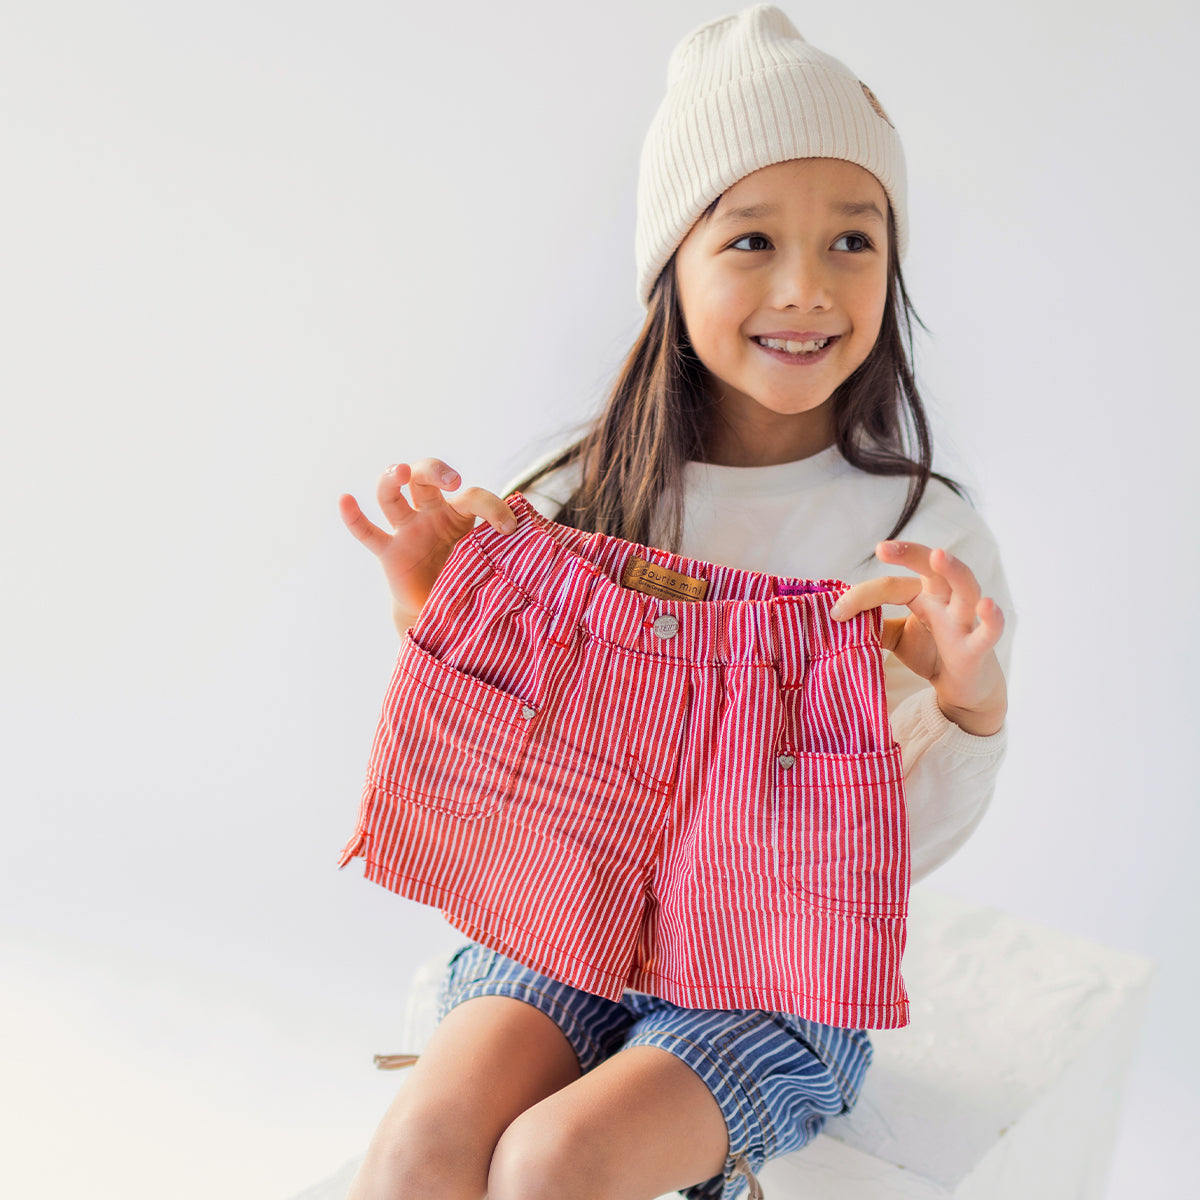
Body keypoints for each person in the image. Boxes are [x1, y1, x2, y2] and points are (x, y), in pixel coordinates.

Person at [336, 6, 1011, 1199]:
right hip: (566, 929)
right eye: (750, 239)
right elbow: (507, 772)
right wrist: (427, 617)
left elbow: (897, 856)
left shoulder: (919, 542)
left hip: (775, 975)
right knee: (420, 1144)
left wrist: (966, 702)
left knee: (555, 1160)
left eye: (852, 242)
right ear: (672, 267)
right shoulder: (582, 501)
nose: (805, 287)